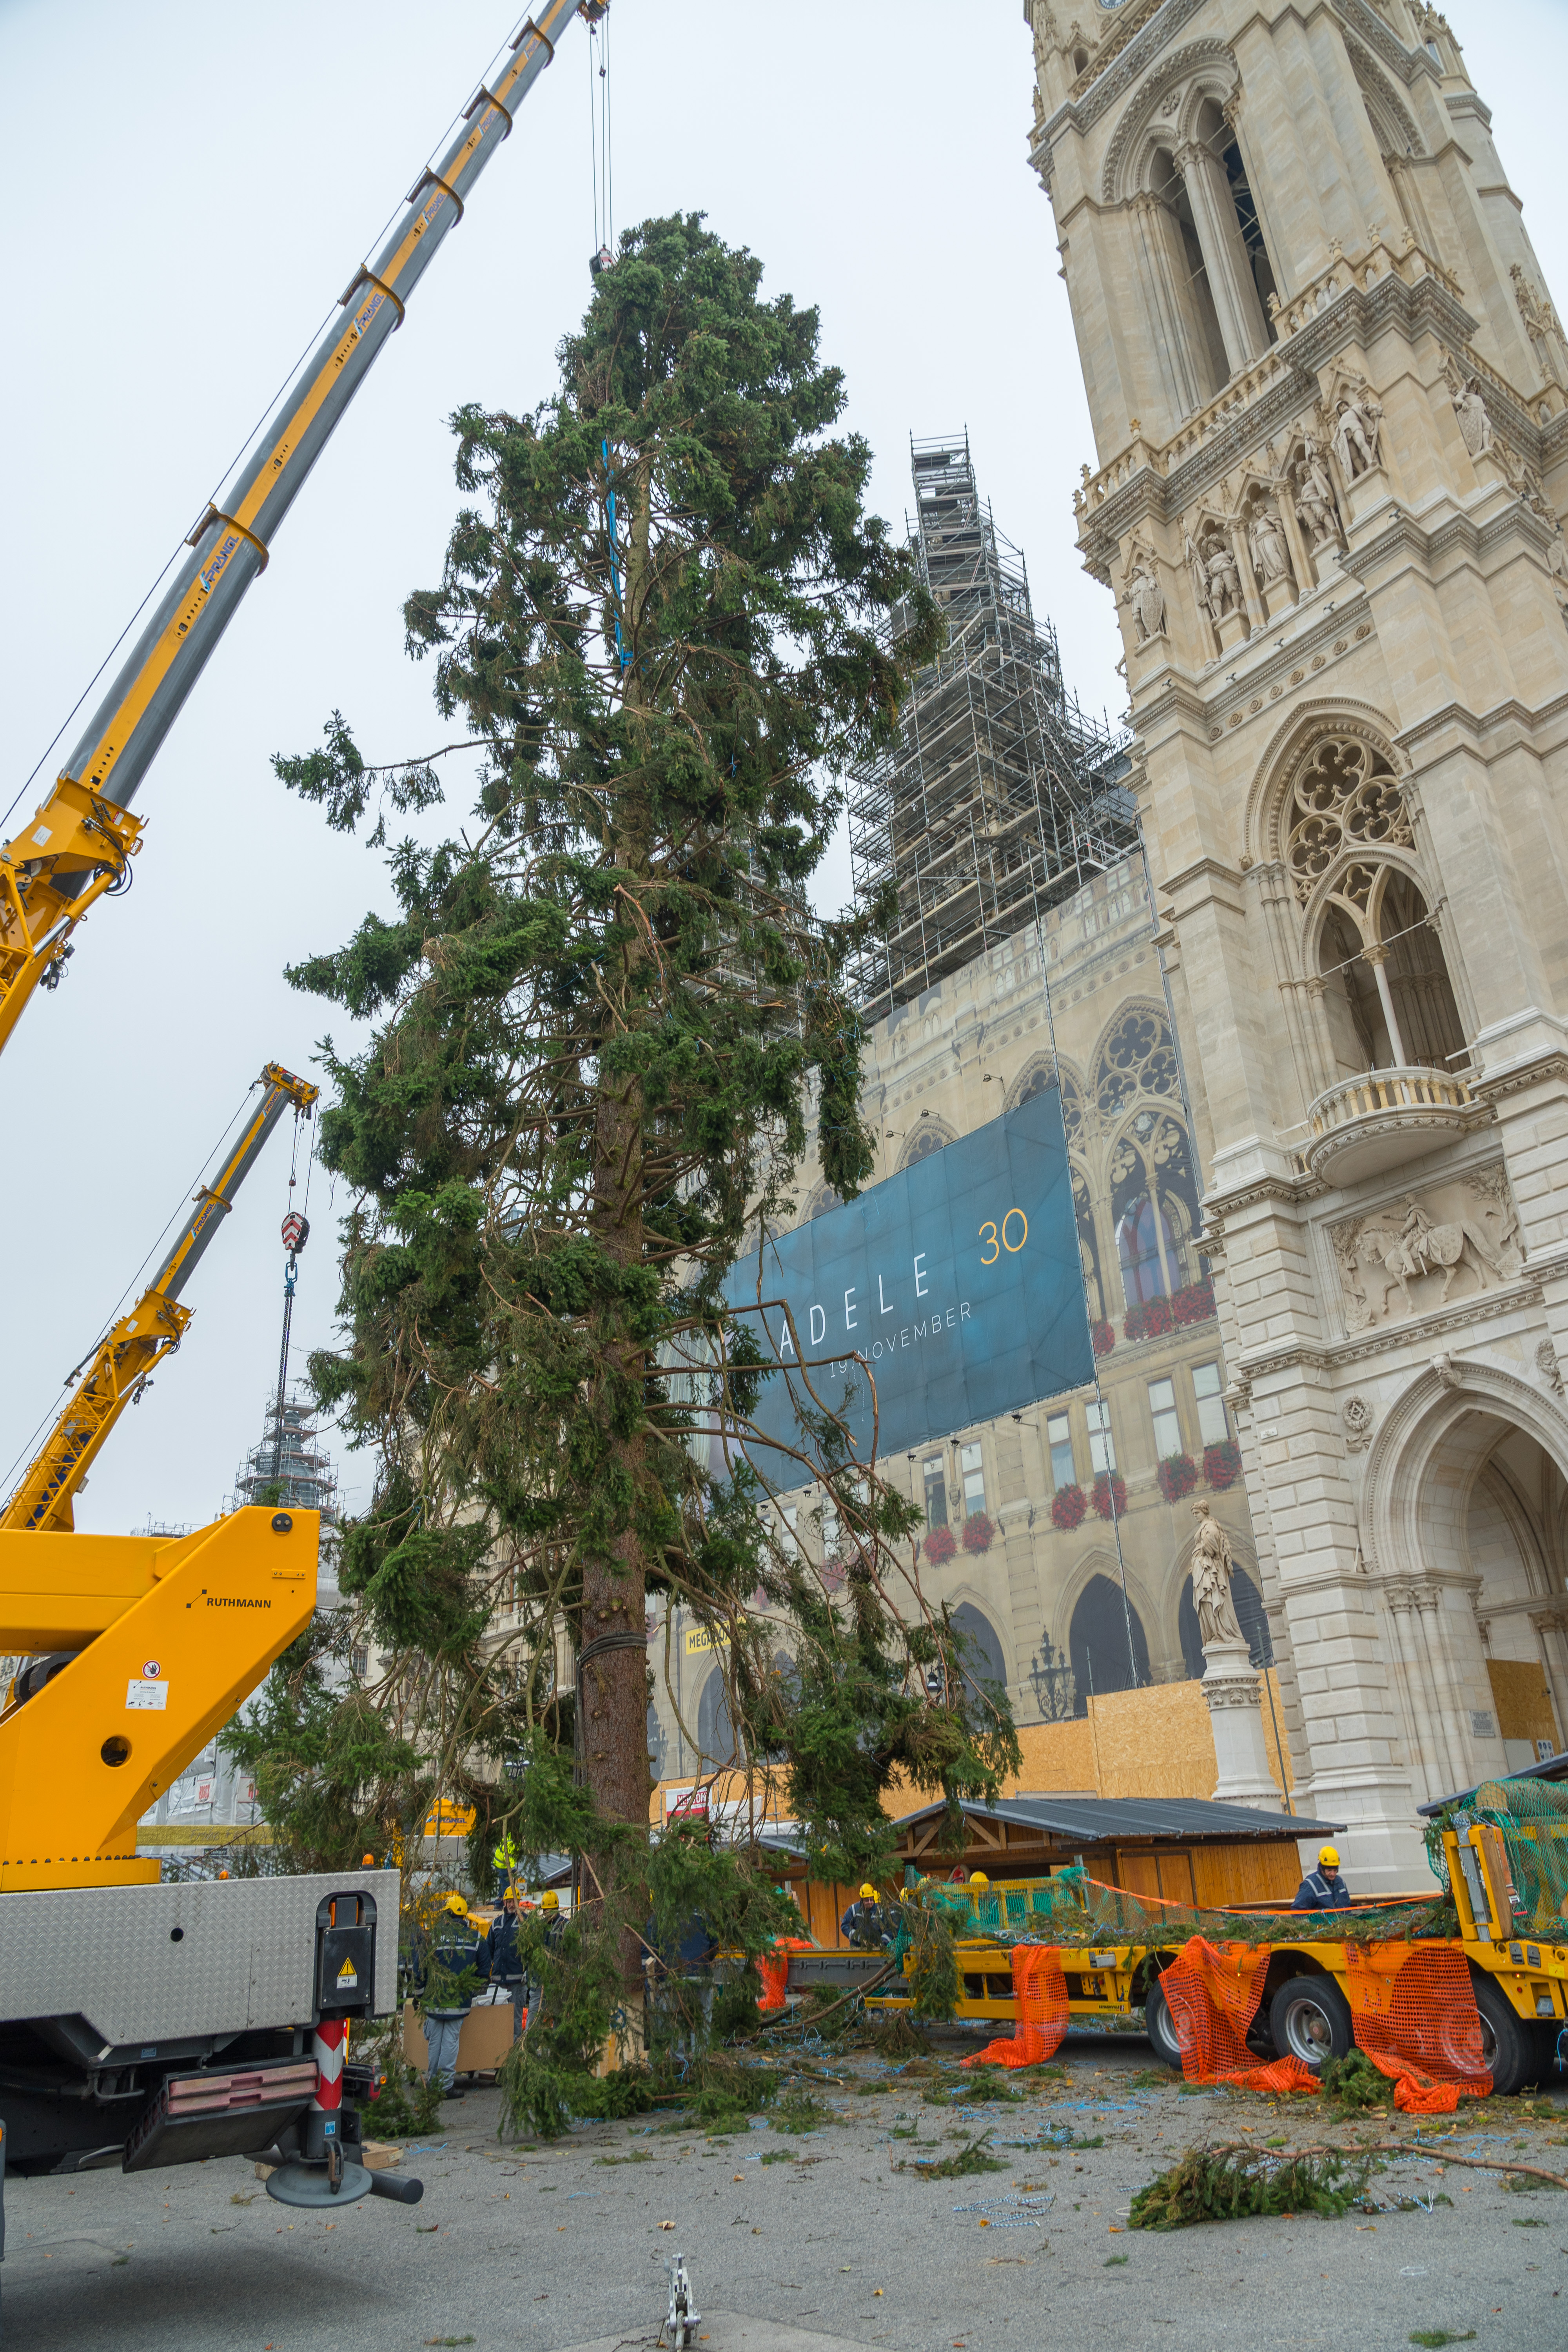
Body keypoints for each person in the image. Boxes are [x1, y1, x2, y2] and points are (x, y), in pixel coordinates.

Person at [419, 1893, 486, 2098]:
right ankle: (446, 2086)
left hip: (435, 2000)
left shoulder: (433, 1936)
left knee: (435, 2042)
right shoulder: (476, 1939)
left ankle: (433, 2083)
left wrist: (419, 1994)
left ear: (447, 1915)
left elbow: (420, 1966)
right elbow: (484, 1971)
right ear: (464, 1916)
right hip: (459, 2001)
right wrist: (473, 1990)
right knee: (450, 2042)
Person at [481, 1886, 530, 2043]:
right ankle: (497, 2052)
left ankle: (513, 2054)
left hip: (517, 1981)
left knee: (515, 2019)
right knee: (497, 2018)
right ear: (504, 1902)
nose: (511, 1905)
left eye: (514, 1901)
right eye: (509, 1901)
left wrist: (527, 1972)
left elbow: (533, 1951)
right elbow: (488, 1950)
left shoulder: (526, 1922)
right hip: (498, 1981)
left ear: (519, 1902)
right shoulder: (496, 1924)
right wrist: (485, 1974)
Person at [1293, 1844, 1352, 1911]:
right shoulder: (1310, 1885)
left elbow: (1348, 1906)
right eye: (1329, 1871)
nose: (1333, 1874)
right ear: (1322, 1868)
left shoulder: (1341, 1882)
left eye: (1335, 1870)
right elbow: (1298, 1911)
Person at [840, 1882, 889, 1950]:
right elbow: (845, 1926)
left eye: (871, 1900)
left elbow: (889, 1929)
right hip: (857, 1949)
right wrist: (859, 1938)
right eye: (867, 1900)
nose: (869, 1902)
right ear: (862, 1899)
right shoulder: (853, 1910)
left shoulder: (881, 1911)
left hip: (877, 1949)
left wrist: (881, 1943)